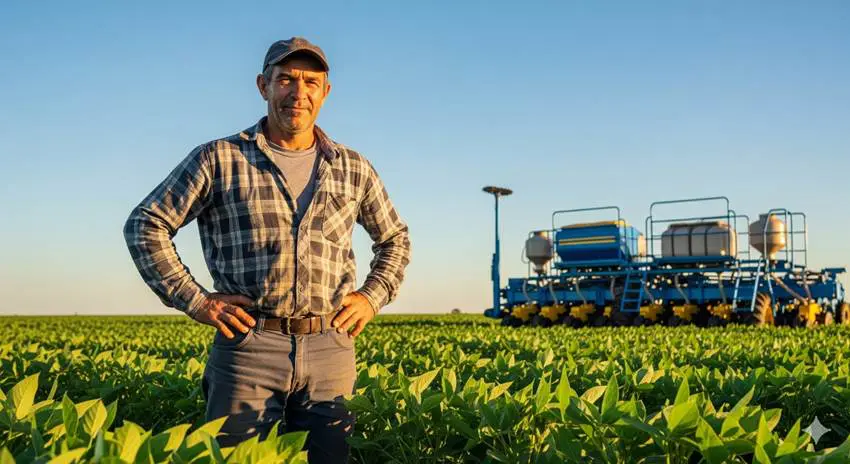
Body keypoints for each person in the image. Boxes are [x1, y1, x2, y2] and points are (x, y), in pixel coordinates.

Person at [123, 36, 411, 462]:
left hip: (331, 348)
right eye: (286, 80)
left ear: (325, 92)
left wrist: (372, 297)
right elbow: (145, 224)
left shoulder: (353, 167)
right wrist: (197, 301)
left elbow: (395, 239)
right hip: (248, 348)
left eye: (311, 82)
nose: (299, 93)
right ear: (263, 85)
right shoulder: (219, 158)